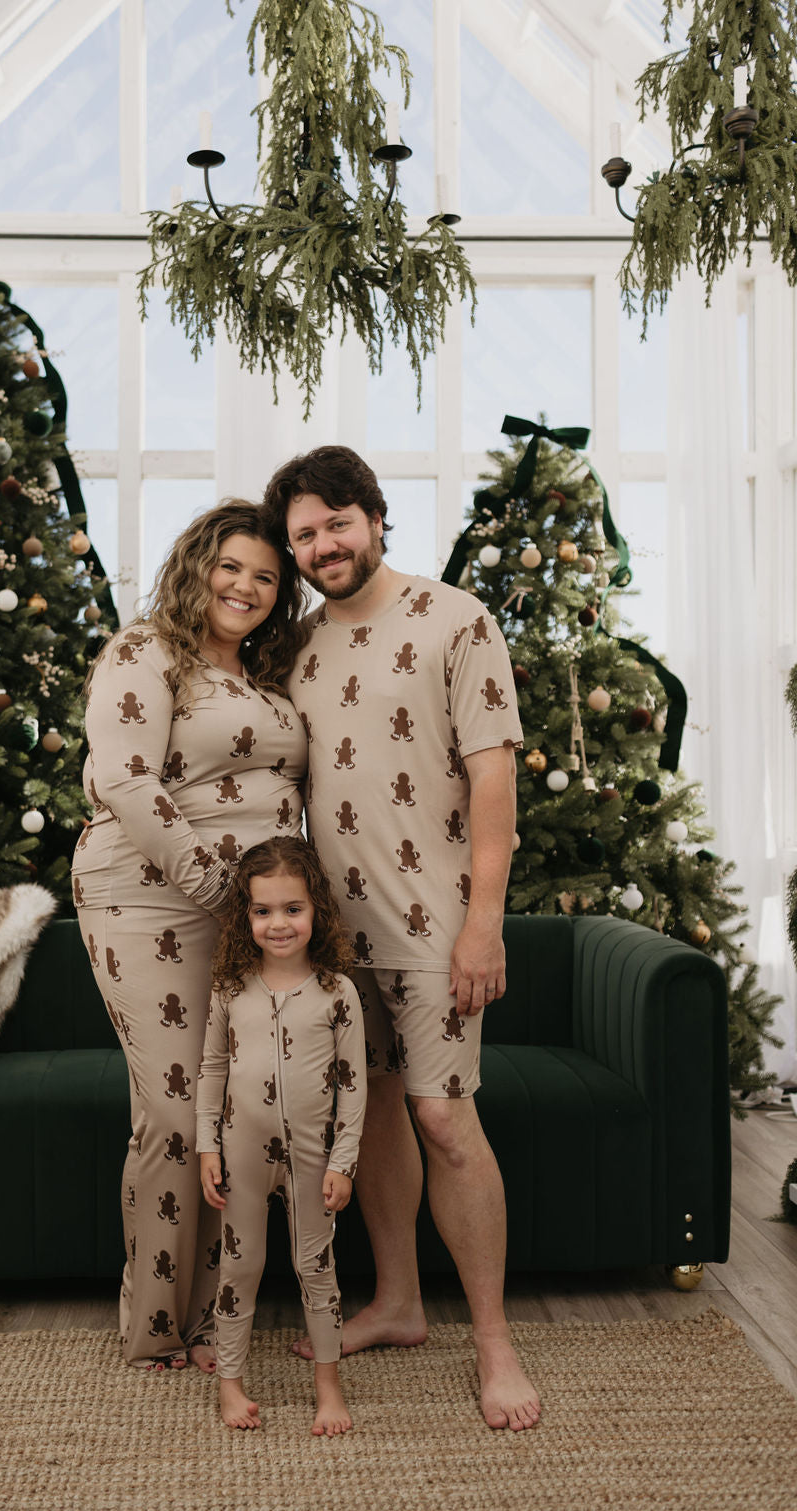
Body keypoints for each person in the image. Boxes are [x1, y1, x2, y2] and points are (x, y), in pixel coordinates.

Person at [263, 445, 542, 1432]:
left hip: (435, 924)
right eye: (302, 533)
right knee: (378, 1108)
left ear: (374, 517)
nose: (321, 544)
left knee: (441, 1116)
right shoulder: (292, 643)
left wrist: (481, 925)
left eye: (335, 522)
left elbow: (495, 782)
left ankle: (495, 1343)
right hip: (332, 936)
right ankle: (396, 1301)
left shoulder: (455, 619)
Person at [73, 500, 308, 1371]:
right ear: (197, 564)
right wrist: (216, 886)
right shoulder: (143, 653)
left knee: (231, 1108)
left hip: (251, 912)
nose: (246, 586)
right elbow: (128, 783)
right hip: (150, 898)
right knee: (176, 1108)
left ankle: (213, 1319)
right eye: (232, 566)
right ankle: (155, 1329)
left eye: (266, 577)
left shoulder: (261, 676)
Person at [197, 837, 366, 1435]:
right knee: (239, 1268)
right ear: (246, 916)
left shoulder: (336, 993)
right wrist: (207, 1146)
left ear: (315, 910)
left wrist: (343, 1162)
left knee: (315, 1267)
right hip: (241, 1152)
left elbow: (353, 1084)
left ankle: (328, 1386)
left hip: (315, 1158)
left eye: (292, 909)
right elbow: (213, 1067)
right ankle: (231, 1387)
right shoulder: (231, 988)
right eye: (263, 911)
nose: (279, 924)